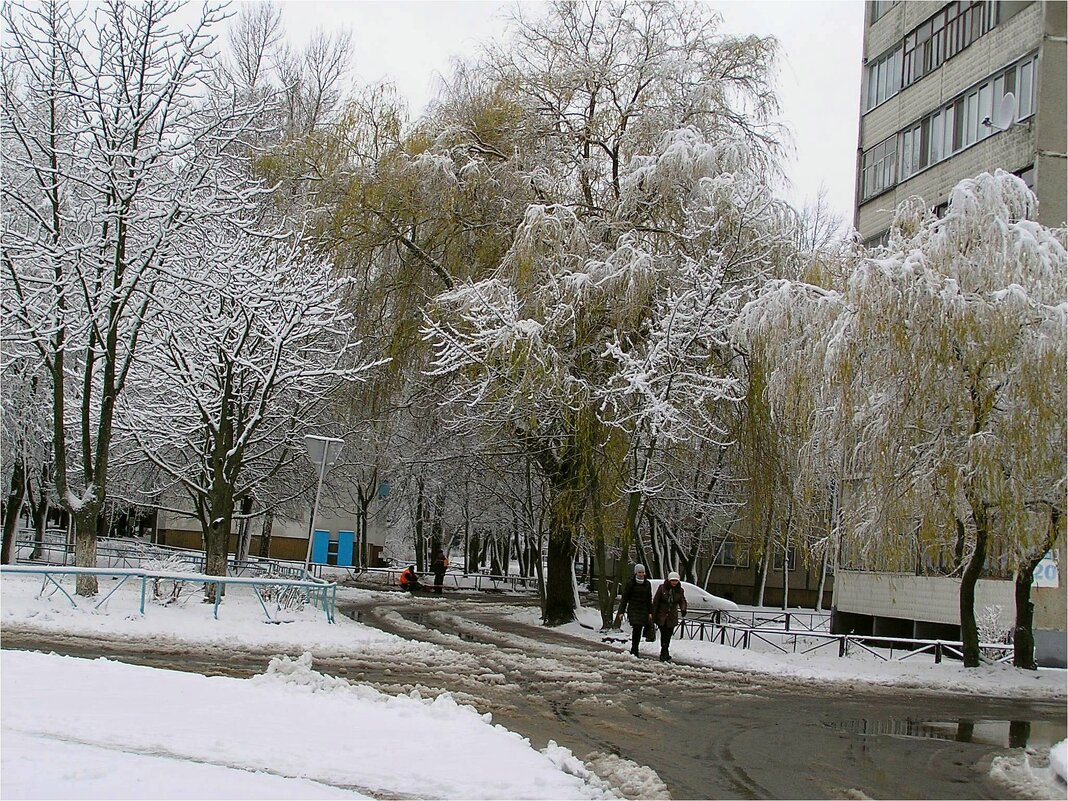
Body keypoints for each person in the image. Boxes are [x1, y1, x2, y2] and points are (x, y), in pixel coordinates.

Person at [615, 564, 653, 657]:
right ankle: (634, 649)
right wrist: (621, 611)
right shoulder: (631, 584)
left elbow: (649, 598)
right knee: (637, 628)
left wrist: (650, 612)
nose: (641, 574)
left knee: (639, 629)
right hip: (633, 609)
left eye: (643, 572)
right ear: (636, 573)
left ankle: (635, 648)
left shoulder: (647, 584)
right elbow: (625, 598)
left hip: (644, 609)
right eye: (639, 572)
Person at [652, 571, 687, 662]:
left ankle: (665, 651)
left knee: (668, 635)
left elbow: (682, 600)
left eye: (676, 581)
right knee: (664, 635)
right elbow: (656, 601)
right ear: (669, 580)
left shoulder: (680, 590)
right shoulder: (662, 588)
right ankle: (664, 653)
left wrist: (683, 609)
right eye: (672, 581)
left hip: (672, 616)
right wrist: (653, 614)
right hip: (662, 616)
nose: (674, 583)